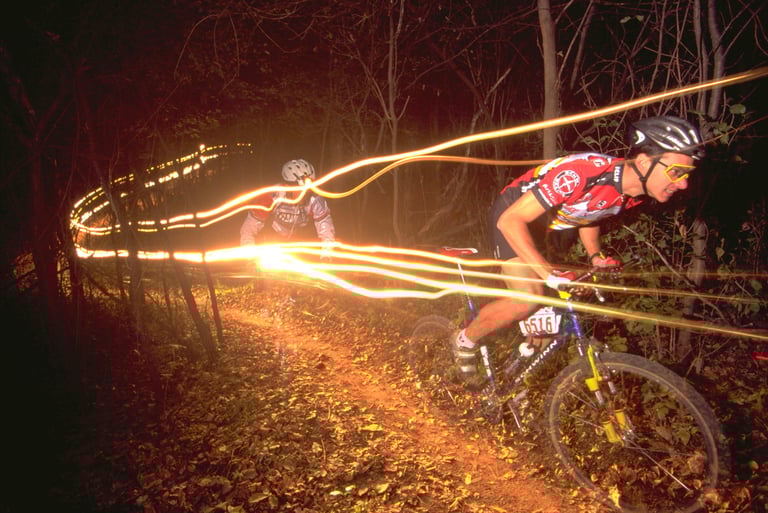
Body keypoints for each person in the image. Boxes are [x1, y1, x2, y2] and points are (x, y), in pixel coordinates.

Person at [453, 116, 704, 377]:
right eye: (676, 172)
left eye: (687, 174)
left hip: (548, 227)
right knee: (527, 297)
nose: (683, 183)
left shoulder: (633, 195)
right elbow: (511, 221)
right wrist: (548, 274)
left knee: (549, 325)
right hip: (514, 214)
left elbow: (591, 214)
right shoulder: (582, 173)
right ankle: (465, 339)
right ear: (643, 161)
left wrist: (596, 256)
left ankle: (516, 385)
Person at [240, 159, 336, 256]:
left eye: (308, 190)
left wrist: (326, 256)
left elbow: (326, 231)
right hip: (274, 238)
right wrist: (249, 256)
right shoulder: (272, 196)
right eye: (300, 190)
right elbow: (248, 228)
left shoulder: (315, 199)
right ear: (287, 186)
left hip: (302, 241)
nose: (304, 194)